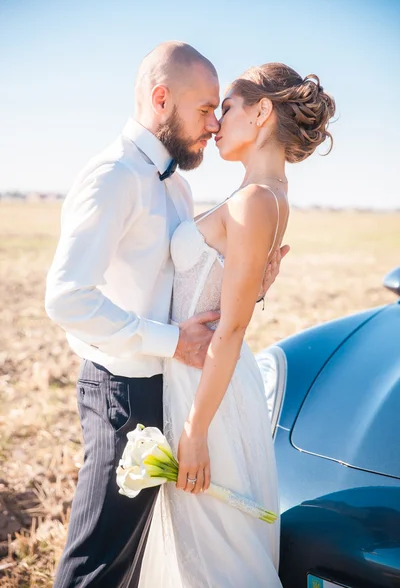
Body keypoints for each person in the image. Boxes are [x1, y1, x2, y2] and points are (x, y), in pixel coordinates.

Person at [45, 42, 287, 588]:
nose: (213, 123)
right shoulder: (114, 176)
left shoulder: (177, 184)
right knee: (99, 561)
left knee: (143, 558)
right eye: (205, 109)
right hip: (122, 392)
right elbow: (66, 297)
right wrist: (168, 341)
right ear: (161, 99)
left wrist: (244, 288)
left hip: (171, 391)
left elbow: (190, 283)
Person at [138, 62, 335, 587]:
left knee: (214, 557)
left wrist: (195, 432)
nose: (216, 122)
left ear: (262, 111)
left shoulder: (256, 200)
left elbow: (231, 329)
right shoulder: (265, 195)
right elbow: (231, 302)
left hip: (209, 394)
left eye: (226, 107)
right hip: (206, 380)